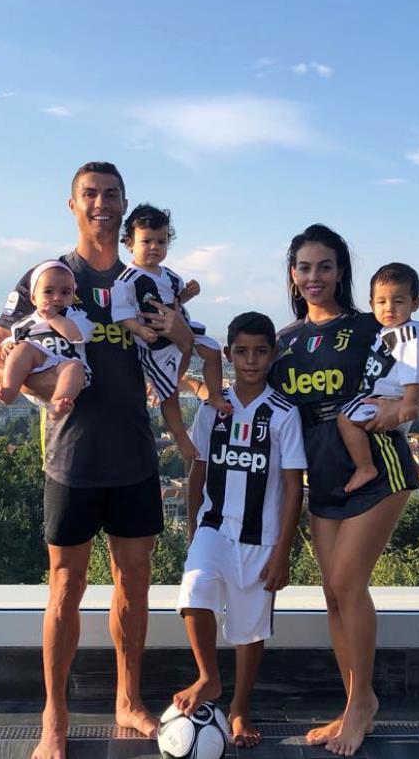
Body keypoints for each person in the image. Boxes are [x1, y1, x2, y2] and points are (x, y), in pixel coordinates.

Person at [0, 162, 193, 759]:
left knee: (135, 583)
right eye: (90, 194)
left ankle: (128, 699)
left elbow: (178, 358)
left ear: (124, 205)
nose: (102, 203)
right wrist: (40, 384)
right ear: (72, 204)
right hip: (71, 458)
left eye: (111, 195)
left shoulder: (144, 276)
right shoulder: (49, 276)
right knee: (65, 586)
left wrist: (180, 334)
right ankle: (55, 716)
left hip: (134, 454)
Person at [269, 224, 419, 757]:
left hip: (379, 466)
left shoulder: (372, 324)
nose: (314, 276)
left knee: (347, 584)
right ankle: (352, 705)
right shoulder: (284, 341)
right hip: (323, 473)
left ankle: (362, 703)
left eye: (325, 266)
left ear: (340, 270)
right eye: (304, 267)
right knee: (332, 593)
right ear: (293, 275)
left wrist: (397, 411)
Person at [172, 311, 306, 748]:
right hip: (213, 527)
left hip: (260, 537)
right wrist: (193, 529)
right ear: (228, 354)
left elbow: (293, 486)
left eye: (260, 351)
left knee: (250, 629)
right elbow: (198, 469)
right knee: (194, 589)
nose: (251, 360)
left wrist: (283, 551)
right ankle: (208, 677)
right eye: (243, 351)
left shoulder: (284, 414)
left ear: (273, 354)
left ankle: (240, 707)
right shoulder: (213, 409)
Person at [111, 203, 231, 460]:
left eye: (161, 241)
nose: (155, 247)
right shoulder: (126, 280)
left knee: (212, 350)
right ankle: (181, 437)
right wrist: (140, 330)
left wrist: (189, 293)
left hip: (183, 328)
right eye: (147, 241)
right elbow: (121, 315)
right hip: (156, 344)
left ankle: (215, 396)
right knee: (169, 393)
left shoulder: (168, 275)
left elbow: (175, 301)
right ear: (130, 243)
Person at [336, 262, 419, 493]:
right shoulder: (389, 331)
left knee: (345, 419)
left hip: (388, 399)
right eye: (381, 302)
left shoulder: (407, 333)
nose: (389, 308)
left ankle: (365, 467)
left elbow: (414, 368)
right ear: (371, 304)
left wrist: (409, 401)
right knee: (397, 436)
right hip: (389, 399)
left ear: (415, 303)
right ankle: (409, 464)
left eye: (398, 301)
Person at [0, 260, 94, 418]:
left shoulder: (76, 316)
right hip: (39, 363)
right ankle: (9, 390)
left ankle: (57, 404)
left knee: (75, 367)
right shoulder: (26, 322)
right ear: (33, 298)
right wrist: (8, 346)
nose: (57, 298)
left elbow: (76, 335)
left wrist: (53, 318)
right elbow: (13, 338)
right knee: (23, 348)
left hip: (67, 365)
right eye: (48, 292)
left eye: (65, 292)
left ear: (73, 297)